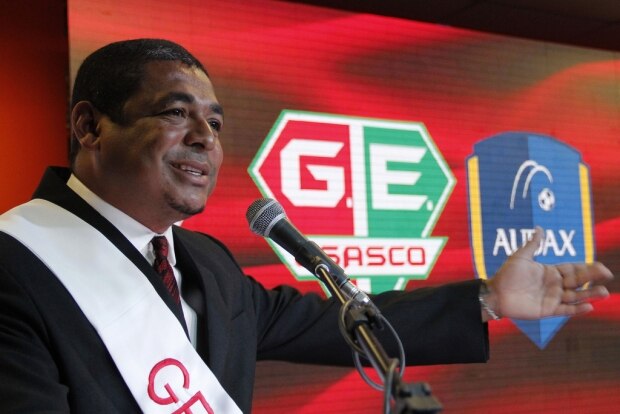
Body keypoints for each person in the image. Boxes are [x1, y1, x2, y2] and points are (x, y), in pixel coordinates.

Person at [0, 39, 613, 413]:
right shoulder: (19, 263)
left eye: (215, 123)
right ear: (90, 127)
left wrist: (487, 298)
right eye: (175, 113)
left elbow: (337, 324)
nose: (205, 139)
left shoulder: (206, 261)